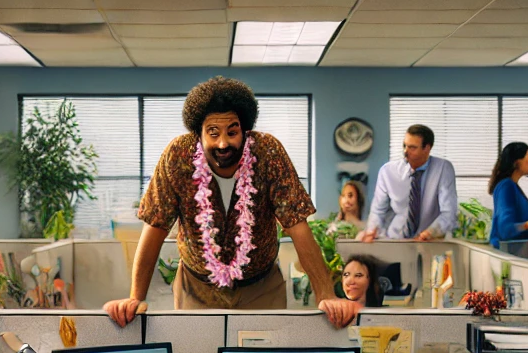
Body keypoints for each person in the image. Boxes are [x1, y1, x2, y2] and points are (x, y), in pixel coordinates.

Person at [103, 77, 357, 330]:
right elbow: (155, 228)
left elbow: (298, 227)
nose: (223, 143)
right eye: (213, 133)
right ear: (198, 133)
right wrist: (136, 297)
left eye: (232, 132)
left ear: (245, 131)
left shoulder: (268, 153)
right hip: (197, 287)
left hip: (261, 285)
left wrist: (327, 296)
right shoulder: (177, 156)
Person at [360, 125, 458, 242]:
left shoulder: (443, 169)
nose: (406, 152)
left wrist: (430, 232)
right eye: (404, 146)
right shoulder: (387, 172)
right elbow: (378, 211)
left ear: (427, 148)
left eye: (412, 148)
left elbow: (449, 213)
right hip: (394, 240)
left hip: (428, 241)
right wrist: (372, 230)